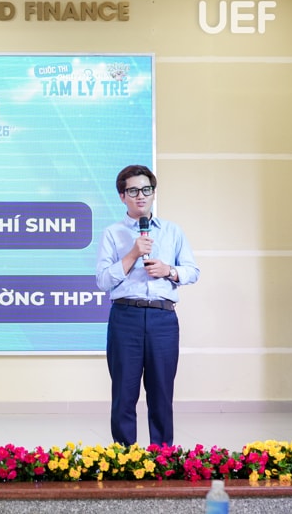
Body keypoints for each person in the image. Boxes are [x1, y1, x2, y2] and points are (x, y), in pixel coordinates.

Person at [95, 165, 200, 447]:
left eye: (146, 189)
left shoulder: (172, 231)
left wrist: (169, 270)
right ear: (122, 196)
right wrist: (132, 254)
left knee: (161, 394)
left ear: (153, 193)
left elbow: (192, 271)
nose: (140, 196)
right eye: (132, 191)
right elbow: (103, 280)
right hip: (125, 317)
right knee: (124, 394)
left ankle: (163, 457)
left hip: (162, 319)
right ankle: (123, 457)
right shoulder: (112, 233)